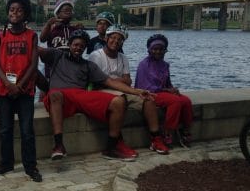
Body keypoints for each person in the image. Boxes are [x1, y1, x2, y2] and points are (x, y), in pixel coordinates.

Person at [40, 29, 153, 161]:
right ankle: (58, 145)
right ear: (69, 44)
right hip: (59, 97)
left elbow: (110, 82)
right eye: (76, 45)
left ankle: (112, 147)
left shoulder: (89, 65)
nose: (78, 48)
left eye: (82, 46)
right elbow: (36, 49)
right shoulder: (57, 55)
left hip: (80, 95)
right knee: (55, 94)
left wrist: (137, 91)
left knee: (118, 102)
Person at [88, 25, 170, 155]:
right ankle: (115, 143)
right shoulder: (95, 56)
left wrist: (111, 81)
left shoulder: (123, 58)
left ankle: (156, 139)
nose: (116, 41)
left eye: (119, 39)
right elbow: (99, 82)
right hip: (100, 91)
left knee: (148, 99)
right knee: (120, 100)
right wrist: (115, 81)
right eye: (113, 38)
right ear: (106, 38)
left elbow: (128, 81)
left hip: (120, 90)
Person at [0, 0, 42, 182]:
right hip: (5, 90)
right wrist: (8, 84)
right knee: (5, 129)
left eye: (19, 10)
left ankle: (31, 166)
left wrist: (19, 86)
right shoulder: (1, 36)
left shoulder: (32, 36)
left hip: (25, 91)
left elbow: (33, 65)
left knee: (27, 130)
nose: (15, 13)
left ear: (25, 13)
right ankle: (6, 163)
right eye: (12, 10)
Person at [135, 34, 193, 147]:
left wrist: (172, 89)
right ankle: (167, 131)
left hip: (163, 92)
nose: (158, 52)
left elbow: (167, 84)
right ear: (149, 50)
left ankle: (185, 129)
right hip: (151, 94)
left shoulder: (165, 65)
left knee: (186, 101)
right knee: (175, 101)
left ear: (165, 50)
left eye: (161, 49)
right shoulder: (144, 65)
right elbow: (144, 87)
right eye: (155, 49)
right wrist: (167, 91)